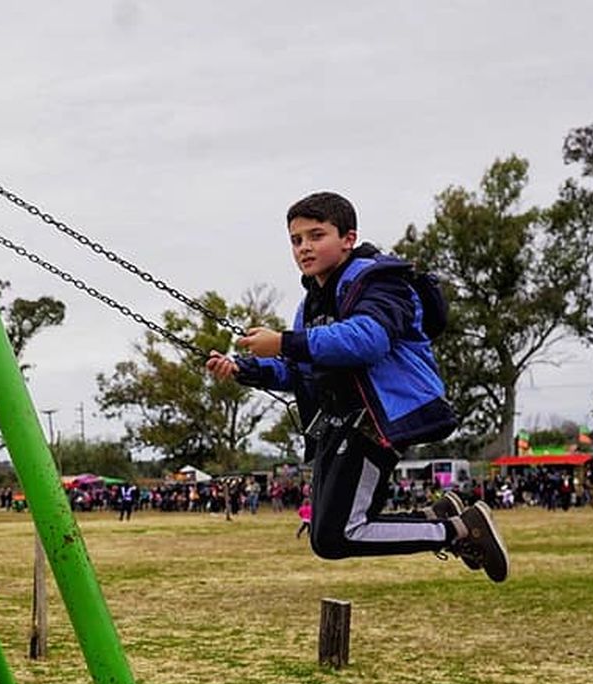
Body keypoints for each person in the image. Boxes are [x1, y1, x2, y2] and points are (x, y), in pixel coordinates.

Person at [206, 191, 508, 581]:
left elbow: (368, 340)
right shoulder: (310, 303)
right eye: (296, 240)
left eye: (316, 236)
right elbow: (304, 370)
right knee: (325, 538)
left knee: (341, 533)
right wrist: (249, 369)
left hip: (378, 419)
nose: (304, 248)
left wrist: (283, 342)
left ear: (348, 238)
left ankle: (459, 529)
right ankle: (442, 520)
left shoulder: (381, 281)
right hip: (340, 420)